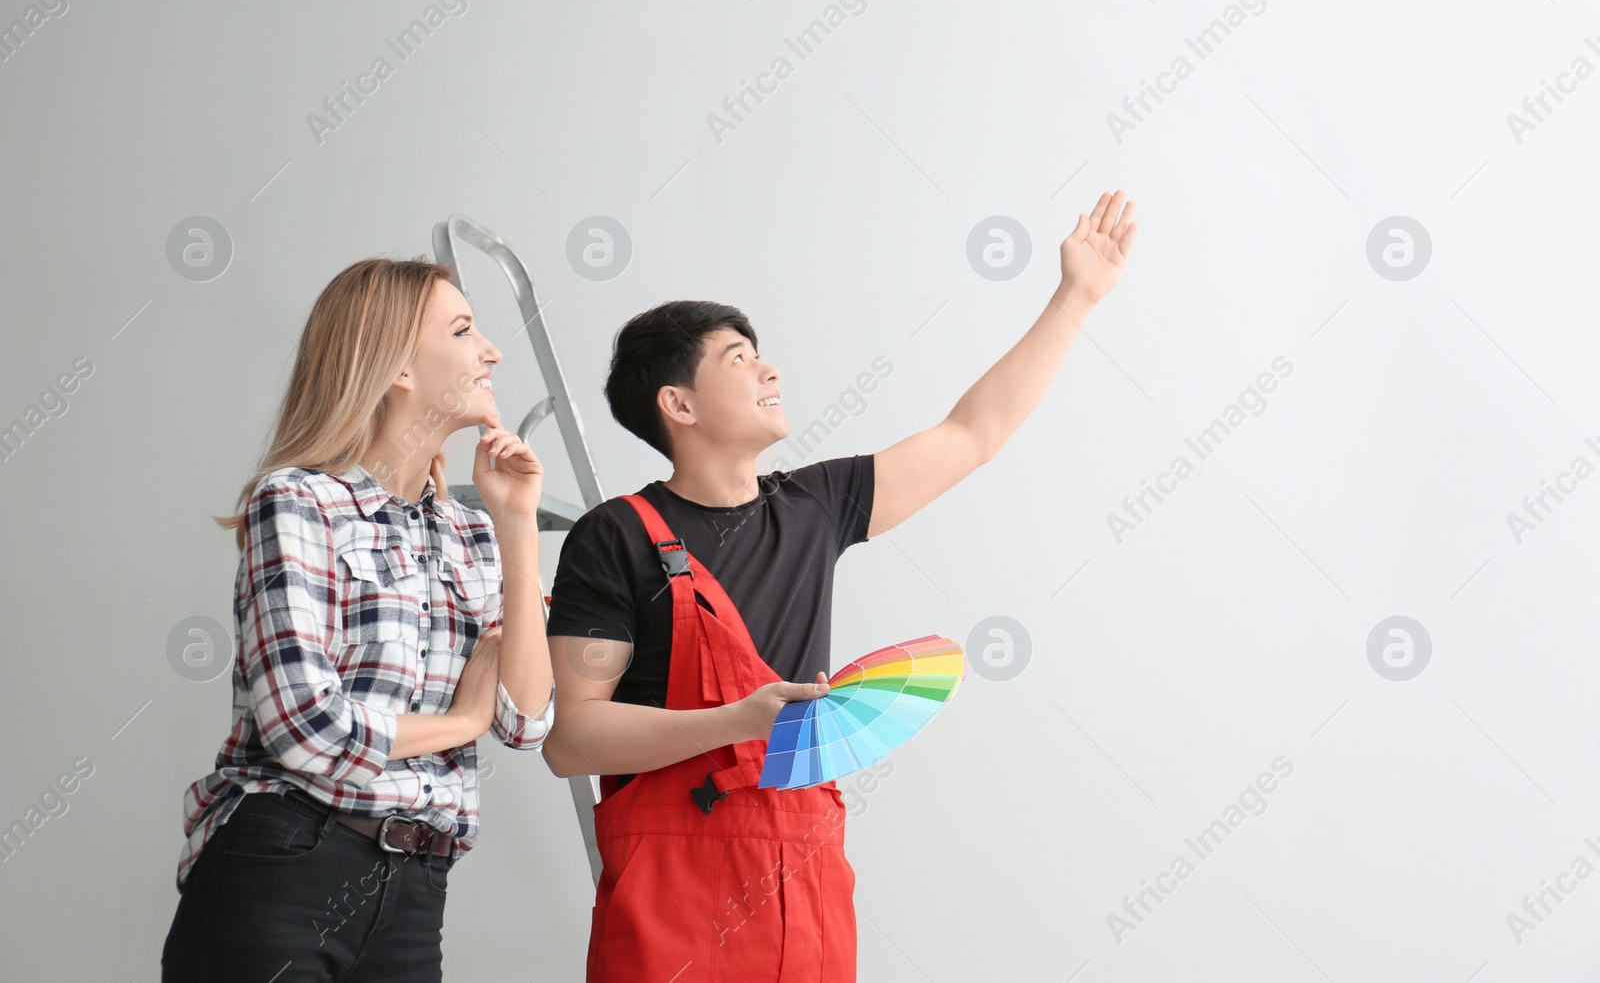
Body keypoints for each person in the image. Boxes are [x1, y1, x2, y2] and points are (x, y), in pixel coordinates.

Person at [543, 192, 1139, 980]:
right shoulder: (616, 535)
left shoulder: (815, 506)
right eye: (738, 357)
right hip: (672, 898)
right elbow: (573, 738)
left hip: (803, 878)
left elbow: (972, 434)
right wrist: (734, 721)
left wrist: (1075, 298)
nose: (770, 367)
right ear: (677, 405)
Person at [161, 257, 555, 982]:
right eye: (465, 330)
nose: (491, 350)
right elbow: (307, 726)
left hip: (416, 892)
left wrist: (517, 525)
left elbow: (527, 721)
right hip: (287, 870)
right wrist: (462, 723)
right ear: (398, 368)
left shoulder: (475, 534)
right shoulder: (298, 501)